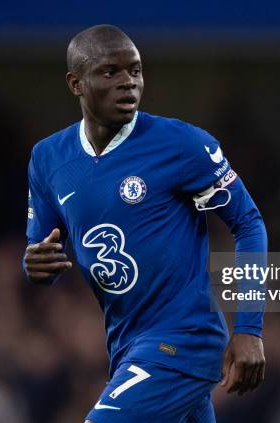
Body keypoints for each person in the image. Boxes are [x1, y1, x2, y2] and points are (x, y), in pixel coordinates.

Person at [23, 24, 267, 423]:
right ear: (75, 83)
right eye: (110, 72)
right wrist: (33, 265)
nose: (128, 83)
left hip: (184, 339)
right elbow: (41, 256)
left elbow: (248, 222)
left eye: (135, 71)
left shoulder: (181, 144)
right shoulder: (49, 159)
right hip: (126, 345)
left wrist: (250, 327)